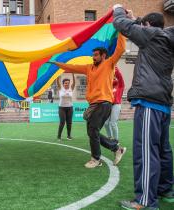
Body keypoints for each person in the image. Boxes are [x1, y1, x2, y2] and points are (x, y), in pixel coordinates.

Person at [113, 4, 174, 209]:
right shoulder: (165, 38)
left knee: (146, 151)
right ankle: (166, 189)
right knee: (163, 150)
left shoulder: (151, 36)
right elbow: (146, 27)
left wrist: (118, 8)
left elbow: (120, 23)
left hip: (149, 103)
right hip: (163, 104)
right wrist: (137, 18)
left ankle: (145, 200)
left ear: (147, 27)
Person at [49, 32, 127, 168]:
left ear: (103, 56)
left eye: (96, 55)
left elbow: (120, 49)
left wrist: (122, 30)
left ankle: (96, 159)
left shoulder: (109, 64)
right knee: (92, 131)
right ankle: (116, 148)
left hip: (104, 103)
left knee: (92, 130)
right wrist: (56, 63)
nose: (93, 57)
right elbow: (71, 67)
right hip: (93, 104)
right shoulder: (88, 68)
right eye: (93, 55)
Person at [104, 66, 125, 141]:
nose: (113, 77)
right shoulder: (109, 86)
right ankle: (109, 137)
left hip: (116, 105)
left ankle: (116, 140)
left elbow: (119, 77)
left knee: (113, 123)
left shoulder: (120, 85)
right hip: (108, 105)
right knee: (106, 123)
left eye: (114, 76)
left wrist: (114, 66)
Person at [56, 74, 75, 141]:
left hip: (70, 108)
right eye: (65, 83)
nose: (67, 84)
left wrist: (73, 74)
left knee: (69, 122)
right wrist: (57, 74)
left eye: (68, 83)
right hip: (62, 108)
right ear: (63, 84)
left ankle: (69, 136)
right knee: (62, 122)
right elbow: (57, 81)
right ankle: (59, 136)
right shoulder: (60, 88)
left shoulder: (71, 88)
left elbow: (74, 83)